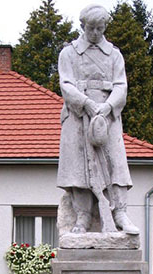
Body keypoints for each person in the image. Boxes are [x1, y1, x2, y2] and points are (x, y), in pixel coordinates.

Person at [57, 4, 139, 235]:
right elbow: (66, 84)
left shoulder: (114, 55)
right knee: (78, 168)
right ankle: (82, 217)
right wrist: (85, 104)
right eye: (91, 28)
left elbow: (121, 86)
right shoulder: (69, 53)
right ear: (83, 26)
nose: (95, 33)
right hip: (77, 115)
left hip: (107, 117)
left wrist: (107, 106)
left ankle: (119, 212)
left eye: (100, 29)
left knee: (116, 164)